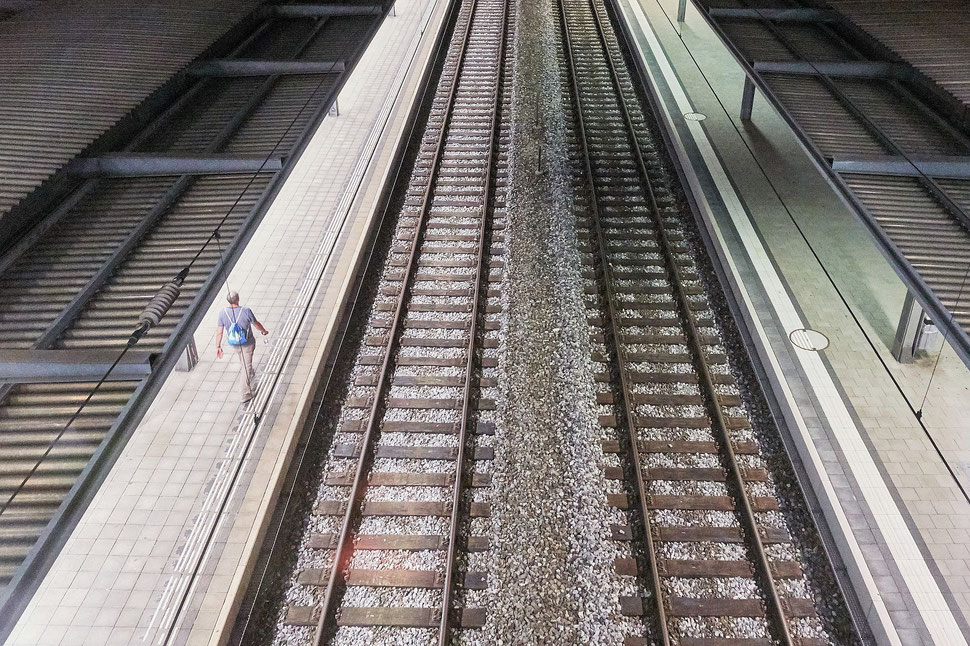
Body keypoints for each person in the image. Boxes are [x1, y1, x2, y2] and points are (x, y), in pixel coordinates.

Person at [216, 291, 268, 402]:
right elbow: (256, 323)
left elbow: (219, 331)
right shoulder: (246, 311)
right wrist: (263, 331)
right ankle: (245, 394)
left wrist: (218, 346)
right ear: (238, 299)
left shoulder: (222, 313)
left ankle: (250, 372)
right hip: (247, 343)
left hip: (234, 343)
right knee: (246, 368)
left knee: (242, 357)